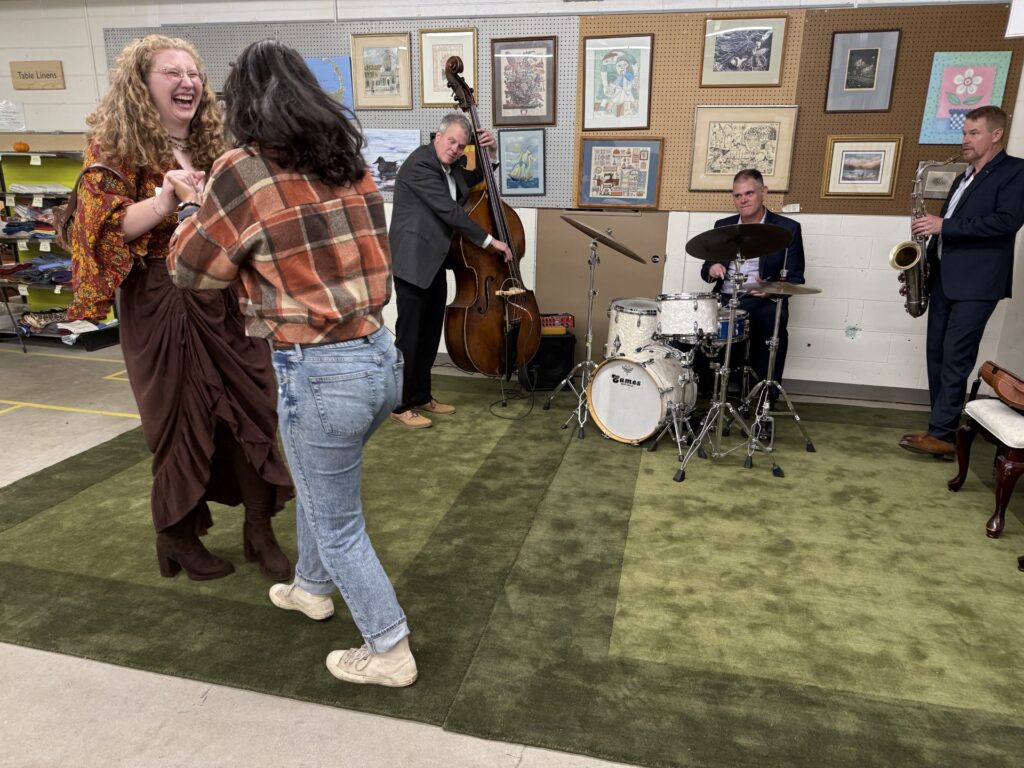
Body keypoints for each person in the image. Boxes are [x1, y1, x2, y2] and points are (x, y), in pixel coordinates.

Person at [167, 39, 416, 688]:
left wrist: (192, 206)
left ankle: (389, 648)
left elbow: (194, 272)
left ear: (243, 103)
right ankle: (310, 587)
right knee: (317, 483)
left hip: (320, 372)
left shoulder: (241, 169)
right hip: (381, 360)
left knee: (339, 525)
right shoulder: (348, 161)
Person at [67, 35, 293, 582]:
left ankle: (259, 528)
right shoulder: (113, 148)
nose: (187, 81)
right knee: (181, 418)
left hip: (223, 297)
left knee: (252, 409)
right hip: (159, 300)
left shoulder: (216, 145)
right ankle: (176, 536)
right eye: (172, 72)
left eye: (192, 72)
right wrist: (165, 200)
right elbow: (98, 230)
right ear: (141, 85)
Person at [900, 105, 1024, 459]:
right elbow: (947, 230)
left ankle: (941, 432)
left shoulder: (1016, 172)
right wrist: (924, 267)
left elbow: (1006, 222)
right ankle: (940, 429)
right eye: (964, 133)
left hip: (977, 283)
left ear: (996, 135)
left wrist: (943, 225)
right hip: (945, 279)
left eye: (973, 133)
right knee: (937, 356)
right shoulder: (963, 177)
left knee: (956, 357)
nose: (965, 140)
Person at [388, 113, 513, 429]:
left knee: (429, 334)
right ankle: (399, 405)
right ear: (438, 136)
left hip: (435, 261)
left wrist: (491, 152)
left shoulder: (451, 167)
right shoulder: (421, 164)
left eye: (461, 146)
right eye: (451, 142)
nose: (455, 149)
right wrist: (490, 241)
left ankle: (421, 396)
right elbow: (449, 210)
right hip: (413, 262)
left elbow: (473, 180)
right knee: (410, 337)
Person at [701, 168, 805, 394]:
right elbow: (705, 269)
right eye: (737, 195)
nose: (743, 200)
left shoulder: (787, 228)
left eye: (749, 193)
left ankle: (766, 396)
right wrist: (713, 267)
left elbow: (795, 278)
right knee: (694, 323)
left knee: (773, 323)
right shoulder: (723, 225)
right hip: (726, 297)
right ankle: (709, 391)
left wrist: (770, 290)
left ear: (763, 192)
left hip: (763, 300)